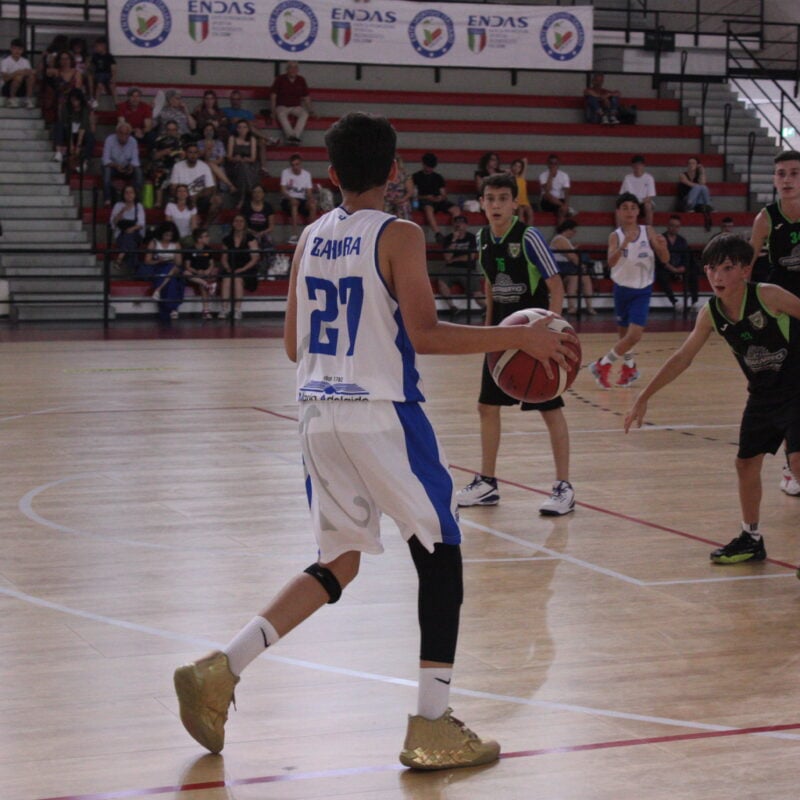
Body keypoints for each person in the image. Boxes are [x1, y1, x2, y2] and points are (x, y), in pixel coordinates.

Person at [172, 111, 576, 771]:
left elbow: (292, 345)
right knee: (441, 550)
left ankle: (221, 670)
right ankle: (433, 724)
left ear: (330, 174)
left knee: (339, 562)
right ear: (394, 172)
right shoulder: (400, 235)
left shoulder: (308, 235)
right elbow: (424, 334)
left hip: (316, 412)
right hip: (380, 413)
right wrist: (519, 337)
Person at [624, 235, 800, 564]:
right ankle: (751, 538)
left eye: (727, 268)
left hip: (797, 387)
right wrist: (643, 396)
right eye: (711, 268)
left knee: (798, 461)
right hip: (764, 394)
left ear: (746, 270)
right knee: (745, 464)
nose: (717, 276)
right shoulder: (711, 313)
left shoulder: (768, 295)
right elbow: (682, 357)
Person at [456, 173, 576, 517]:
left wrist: (551, 329)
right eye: (489, 198)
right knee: (486, 407)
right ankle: (487, 484)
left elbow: (556, 286)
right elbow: (491, 287)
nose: (495, 205)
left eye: (502, 198)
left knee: (550, 410)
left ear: (514, 204)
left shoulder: (528, 238)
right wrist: (488, 331)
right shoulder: (481, 239)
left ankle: (564, 487)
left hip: (536, 336)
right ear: (482, 203)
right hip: (502, 336)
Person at [749, 149, 800, 496]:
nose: (787, 179)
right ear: (774, 179)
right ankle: (790, 462)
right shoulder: (765, 218)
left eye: (794, 173)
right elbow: (745, 265)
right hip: (781, 310)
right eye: (781, 173)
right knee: (788, 387)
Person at [588, 193, 670, 389]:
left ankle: (603, 364)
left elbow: (665, 259)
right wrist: (625, 244)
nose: (629, 211)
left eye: (633, 207)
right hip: (621, 289)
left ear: (638, 211)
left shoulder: (647, 230)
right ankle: (630, 368)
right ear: (618, 212)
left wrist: (663, 247)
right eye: (624, 208)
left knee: (634, 336)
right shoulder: (615, 236)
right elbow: (610, 262)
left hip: (642, 290)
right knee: (624, 337)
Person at [438, 215, 484, 316]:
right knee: (442, 280)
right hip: (451, 269)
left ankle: (487, 310)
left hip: (467, 269)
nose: (458, 225)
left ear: (466, 225)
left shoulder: (472, 238)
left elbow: (471, 256)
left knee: (477, 293)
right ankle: (452, 307)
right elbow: (447, 257)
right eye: (456, 222)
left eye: (461, 223)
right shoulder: (449, 238)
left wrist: (454, 259)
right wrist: (454, 240)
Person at [412, 152, 460, 243]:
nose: (430, 169)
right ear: (423, 164)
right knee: (428, 208)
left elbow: (443, 193)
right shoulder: (416, 177)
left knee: (456, 209)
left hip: (437, 200)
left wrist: (440, 198)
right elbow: (413, 195)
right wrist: (426, 197)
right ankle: (437, 233)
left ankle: (456, 233)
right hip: (424, 200)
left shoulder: (438, 177)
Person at [169, 142, 221, 225]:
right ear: (186, 153)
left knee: (217, 201)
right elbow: (173, 188)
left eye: (195, 152)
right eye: (190, 152)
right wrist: (186, 195)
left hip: (200, 198)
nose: (193, 155)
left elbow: (210, 188)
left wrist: (197, 195)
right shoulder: (177, 166)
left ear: (198, 154)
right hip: (182, 198)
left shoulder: (204, 166)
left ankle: (205, 227)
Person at [550, 219, 595, 315]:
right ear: (568, 230)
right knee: (574, 277)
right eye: (574, 231)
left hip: (567, 268)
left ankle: (590, 306)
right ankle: (572, 307)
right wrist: (582, 266)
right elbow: (571, 256)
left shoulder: (565, 240)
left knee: (585, 277)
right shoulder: (560, 239)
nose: (574, 233)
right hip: (560, 270)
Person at [220, 212, 259, 320]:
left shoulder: (251, 238)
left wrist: (242, 269)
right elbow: (224, 258)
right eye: (236, 221)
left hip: (247, 268)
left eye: (241, 221)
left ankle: (237, 310)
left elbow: (255, 258)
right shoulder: (227, 239)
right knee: (226, 279)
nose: (238, 223)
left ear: (245, 223)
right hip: (231, 267)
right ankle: (224, 309)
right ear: (232, 223)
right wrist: (228, 268)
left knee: (237, 279)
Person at [144, 221, 184, 321]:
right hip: (158, 266)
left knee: (172, 273)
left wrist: (171, 260)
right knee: (170, 279)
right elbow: (147, 260)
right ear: (161, 233)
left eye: (171, 235)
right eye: (166, 235)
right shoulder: (154, 242)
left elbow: (179, 262)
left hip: (173, 267)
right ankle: (172, 308)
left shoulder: (176, 244)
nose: (168, 238)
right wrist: (158, 260)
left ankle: (159, 292)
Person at [657, 215, 698, 309]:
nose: (674, 228)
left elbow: (686, 257)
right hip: (666, 268)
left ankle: (694, 302)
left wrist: (682, 268)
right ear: (667, 226)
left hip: (679, 267)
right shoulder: (661, 239)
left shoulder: (682, 240)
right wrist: (672, 269)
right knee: (661, 275)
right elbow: (659, 258)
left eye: (677, 226)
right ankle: (674, 302)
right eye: (672, 225)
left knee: (693, 273)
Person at [270, 61, 314, 145]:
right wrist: (273, 110)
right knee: (281, 114)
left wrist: (311, 110)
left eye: (295, 68)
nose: (293, 70)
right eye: (291, 67)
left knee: (304, 113)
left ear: (298, 70)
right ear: (287, 69)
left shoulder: (301, 79)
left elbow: (306, 97)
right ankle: (292, 137)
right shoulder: (280, 79)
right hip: (282, 106)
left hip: (296, 106)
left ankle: (294, 137)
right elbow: (273, 96)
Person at [54, 87, 95, 174]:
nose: (74, 103)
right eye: (72, 100)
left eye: (76, 100)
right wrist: (71, 144)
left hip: (80, 134)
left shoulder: (85, 109)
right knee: (59, 125)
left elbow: (83, 127)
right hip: (68, 132)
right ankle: (58, 152)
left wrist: (78, 146)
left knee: (90, 136)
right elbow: (66, 125)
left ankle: (85, 162)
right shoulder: (66, 107)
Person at [102, 122, 143, 205]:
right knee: (106, 171)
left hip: (126, 167)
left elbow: (135, 160)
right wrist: (116, 166)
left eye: (126, 134)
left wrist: (131, 166)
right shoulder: (110, 140)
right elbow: (105, 160)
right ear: (117, 133)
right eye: (121, 133)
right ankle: (107, 199)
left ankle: (136, 198)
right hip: (113, 167)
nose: (124, 136)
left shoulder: (133, 141)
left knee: (138, 171)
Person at [280, 153, 317, 244]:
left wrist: (311, 199)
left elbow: (308, 192)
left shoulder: (306, 174)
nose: (295, 167)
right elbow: (283, 191)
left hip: (302, 200)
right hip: (288, 200)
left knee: (312, 205)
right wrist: (291, 198)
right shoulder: (285, 172)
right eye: (293, 165)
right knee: (294, 203)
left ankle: (311, 234)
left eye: (297, 164)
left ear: (300, 164)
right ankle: (294, 235)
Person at [183, 227, 218, 320]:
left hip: (205, 274)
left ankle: (206, 311)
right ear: (199, 239)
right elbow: (187, 266)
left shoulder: (208, 249)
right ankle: (207, 284)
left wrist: (207, 270)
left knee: (203, 282)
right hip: (194, 274)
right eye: (205, 236)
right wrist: (197, 271)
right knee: (186, 273)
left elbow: (211, 263)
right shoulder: (190, 250)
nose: (208, 238)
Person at [109, 184, 145, 271]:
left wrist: (131, 229)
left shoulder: (138, 206)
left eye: (131, 192)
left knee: (129, 235)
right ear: (123, 195)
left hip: (136, 234)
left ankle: (120, 258)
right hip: (121, 235)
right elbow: (113, 223)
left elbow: (141, 224)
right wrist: (121, 212)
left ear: (135, 194)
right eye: (126, 193)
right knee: (130, 242)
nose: (129, 195)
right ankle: (134, 268)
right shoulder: (118, 205)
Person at [149, 121, 184, 207]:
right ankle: (158, 202)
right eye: (169, 130)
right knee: (159, 173)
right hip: (162, 165)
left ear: (176, 130)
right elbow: (153, 156)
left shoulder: (182, 140)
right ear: (166, 130)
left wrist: (182, 155)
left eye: (173, 130)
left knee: (179, 172)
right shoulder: (159, 140)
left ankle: (178, 202)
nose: (171, 132)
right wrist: (164, 152)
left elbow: (187, 155)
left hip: (178, 165)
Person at [226, 119, 259, 204]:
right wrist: (235, 159)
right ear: (236, 129)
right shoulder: (232, 138)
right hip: (235, 165)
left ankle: (242, 198)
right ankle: (250, 193)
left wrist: (245, 160)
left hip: (250, 165)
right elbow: (229, 157)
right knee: (242, 167)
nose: (242, 129)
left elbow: (253, 158)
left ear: (248, 129)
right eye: (239, 127)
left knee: (244, 168)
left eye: (244, 127)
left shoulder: (252, 139)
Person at [241, 184, 275, 268]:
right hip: (249, 233)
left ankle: (269, 267)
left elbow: (271, 227)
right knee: (250, 242)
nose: (257, 194)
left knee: (268, 242)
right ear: (252, 194)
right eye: (255, 192)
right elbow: (242, 224)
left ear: (263, 194)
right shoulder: (246, 206)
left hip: (264, 233)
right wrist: (253, 232)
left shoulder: (268, 207)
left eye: (259, 192)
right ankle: (251, 266)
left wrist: (262, 233)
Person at [197, 121, 236, 193]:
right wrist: (207, 149)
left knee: (211, 168)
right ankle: (230, 185)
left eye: (211, 130)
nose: (209, 132)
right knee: (209, 165)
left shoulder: (219, 143)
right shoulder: (199, 143)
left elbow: (221, 160)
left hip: (216, 165)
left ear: (214, 131)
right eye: (207, 130)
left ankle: (214, 194)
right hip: (203, 165)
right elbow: (203, 157)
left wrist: (211, 163)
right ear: (203, 132)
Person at [619, 155, 656, 227]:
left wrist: (639, 202)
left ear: (643, 166)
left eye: (639, 164)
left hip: (643, 203)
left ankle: (649, 230)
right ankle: (619, 233)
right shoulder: (627, 178)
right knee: (619, 209)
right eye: (635, 165)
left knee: (648, 206)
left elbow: (650, 196)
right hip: (631, 203)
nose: (638, 167)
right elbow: (624, 195)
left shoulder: (649, 178)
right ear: (632, 166)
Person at [678, 157, 713, 231]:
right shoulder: (682, 175)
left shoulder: (698, 176)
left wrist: (702, 171)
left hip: (697, 204)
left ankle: (708, 206)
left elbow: (703, 183)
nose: (691, 165)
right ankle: (690, 207)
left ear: (697, 165)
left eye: (693, 163)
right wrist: (699, 186)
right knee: (699, 187)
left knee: (703, 187)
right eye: (689, 163)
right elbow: (689, 184)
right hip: (685, 202)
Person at [539, 154, 574, 226]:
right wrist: (550, 176)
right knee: (547, 195)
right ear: (548, 164)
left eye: (555, 163)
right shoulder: (542, 175)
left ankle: (560, 233)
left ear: (558, 165)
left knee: (562, 211)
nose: (553, 165)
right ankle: (566, 207)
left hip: (560, 200)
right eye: (551, 163)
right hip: (547, 202)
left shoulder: (564, 175)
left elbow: (567, 191)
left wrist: (566, 203)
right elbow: (548, 190)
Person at [1, 38, 36, 108]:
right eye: (15, 49)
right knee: (18, 77)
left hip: (22, 87)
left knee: (31, 76)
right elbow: (5, 78)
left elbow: (30, 73)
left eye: (19, 49)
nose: (17, 51)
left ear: (22, 50)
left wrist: (29, 72)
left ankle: (28, 99)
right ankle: (12, 99)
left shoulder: (25, 61)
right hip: (8, 88)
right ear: (11, 49)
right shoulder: (5, 61)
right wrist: (16, 73)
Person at [86, 36, 116, 109]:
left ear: (103, 46)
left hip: (107, 75)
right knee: (99, 84)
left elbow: (113, 68)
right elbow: (91, 67)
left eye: (97, 46)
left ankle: (117, 104)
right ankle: (95, 102)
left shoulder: (109, 56)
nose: (95, 48)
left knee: (112, 86)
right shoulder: (95, 56)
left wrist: (113, 77)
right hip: (98, 75)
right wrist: (88, 64)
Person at [383, 154, 414, 220]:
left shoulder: (405, 175)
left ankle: (406, 227)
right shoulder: (385, 175)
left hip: (401, 199)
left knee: (403, 206)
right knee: (384, 207)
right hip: (388, 199)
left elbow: (410, 192)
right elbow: (383, 191)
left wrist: (402, 199)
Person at [510, 157, 533, 225]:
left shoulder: (522, 177)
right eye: (515, 166)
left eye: (519, 167)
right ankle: (521, 230)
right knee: (520, 211)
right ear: (512, 166)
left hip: (525, 201)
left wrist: (524, 162)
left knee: (530, 213)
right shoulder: (510, 178)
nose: (517, 168)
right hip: (517, 201)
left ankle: (528, 230)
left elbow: (525, 163)